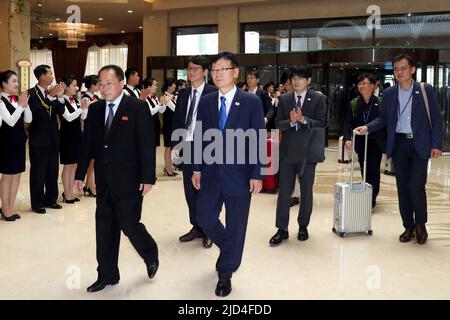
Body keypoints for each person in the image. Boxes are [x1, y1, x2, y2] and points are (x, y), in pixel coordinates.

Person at [74, 65, 159, 292]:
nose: (104, 88)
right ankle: (107, 274)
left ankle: (150, 253)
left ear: (121, 84)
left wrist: (148, 177)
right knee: (104, 227)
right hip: (104, 180)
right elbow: (87, 146)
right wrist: (79, 175)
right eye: (101, 83)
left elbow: (146, 145)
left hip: (130, 180)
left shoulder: (137, 107)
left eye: (109, 83)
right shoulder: (95, 109)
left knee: (129, 225)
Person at [192, 52, 264, 297]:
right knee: (204, 217)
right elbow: (201, 137)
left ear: (236, 72)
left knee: (236, 224)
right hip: (211, 173)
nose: (218, 74)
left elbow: (257, 139)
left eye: (223, 69)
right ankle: (231, 248)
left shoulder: (251, 102)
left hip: (240, 175)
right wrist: (197, 167)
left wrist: (257, 174)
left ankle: (225, 273)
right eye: (214, 69)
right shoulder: (207, 101)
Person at [355, 54, 443, 245]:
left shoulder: (424, 90)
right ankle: (408, 225)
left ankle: (420, 224)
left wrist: (436, 144)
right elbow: (384, 119)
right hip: (399, 145)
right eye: (396, 69)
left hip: (419, 144)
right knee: (402, 187)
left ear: (412, 69)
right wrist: (368, 127)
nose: (399, 72)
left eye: (403, 68)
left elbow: (435, 118)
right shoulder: (389, 93)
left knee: (417, 186)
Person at [270, 66, 328, 246]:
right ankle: (282, 229)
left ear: (309, 80)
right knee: (284, 192)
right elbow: (278, 123)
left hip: (308, 153)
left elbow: (323, 122)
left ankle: (303, 226)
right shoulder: (285, 99)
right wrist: (291, 121)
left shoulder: (319, 98)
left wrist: (304, 120)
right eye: (293, 78)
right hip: (288, 152)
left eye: (300, 78)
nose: (296, 81)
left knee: (306, 192)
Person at [171, 55, 216, 249]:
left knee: (207, 190)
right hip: (187, 145)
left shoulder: (214, 93)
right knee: (190, 190)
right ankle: (196, 226)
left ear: (205, 72)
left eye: (196, 68)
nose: (192, 72)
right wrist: (175, 145)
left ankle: (209, 229)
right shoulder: (183, 94)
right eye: (189, 68)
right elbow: (177, 121)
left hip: (207, 148)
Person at [343, 73, 385, 209]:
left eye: (365, 83)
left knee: (373, 170)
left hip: (375, 142)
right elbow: (347, 123)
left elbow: (385, 122)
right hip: (361, 142)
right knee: (364, 169)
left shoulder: (381, 102)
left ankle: (371, 199)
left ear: (373, 86)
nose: (361, 86)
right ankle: (367, 194)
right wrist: (348, 138)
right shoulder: (354, 103)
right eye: (360, 84)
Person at [28, 65, 66, 214]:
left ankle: (51, 199)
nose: (52, 76)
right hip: (38, 139)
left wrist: (60, 96)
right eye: (50, 73)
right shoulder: (31, 94)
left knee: (52, 171)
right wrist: (50, 96)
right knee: (38, 172)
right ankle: (37, 203)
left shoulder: (54, 93)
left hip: (53, 138)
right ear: (42, 76)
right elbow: (37, 114)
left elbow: (60, 112)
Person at [0, 70, 31, 221]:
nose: (16, 84)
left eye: (17, 81)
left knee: (17, 175)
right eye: (13, 81)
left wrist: (25, 105)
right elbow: (10, 121)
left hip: (19, 142)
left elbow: (29, 119)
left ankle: (11, 207)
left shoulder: (18, 100)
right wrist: (20, 105)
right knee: (7, 176)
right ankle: (5, 208)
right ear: (4, 84)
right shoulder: (0, 101)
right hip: (6, 143)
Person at [59, 75, 89, 203]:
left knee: (75, 165)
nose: (76, 88)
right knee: (68, 165)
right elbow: (68, 117)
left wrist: (84, 107)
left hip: (77, 134)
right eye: (73, 85)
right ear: (66, 86)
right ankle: (66, 193)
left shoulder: (75, 100)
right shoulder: (61, 101)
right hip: (67, 136)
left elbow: (83, 116)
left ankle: (70, 191)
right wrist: (81, 108)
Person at [81, 75, 100, 197]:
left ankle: (88, 184)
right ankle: (90, 185)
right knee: (91, 159)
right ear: (92, 85)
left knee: (94, 159)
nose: (100, 86)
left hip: (97, 130)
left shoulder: (96, 97)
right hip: (89, 130)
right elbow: (84, 117)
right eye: (98, 84)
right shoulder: (85, 98)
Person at [160, 78, 178, 176]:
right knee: (168, 147)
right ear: (169, 86)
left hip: (172, 124)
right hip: (168, 125)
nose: (175, 86)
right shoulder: (165, 96)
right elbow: (175, 109)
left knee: (171, 147)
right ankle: (167, 168)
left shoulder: (172, 96)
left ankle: (169, 167)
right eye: (174, 84)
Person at [143, 78, 164, 149]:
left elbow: (161, 111)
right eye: (155, 85)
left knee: (154, 147)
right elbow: (150, 112)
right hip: (149, 126)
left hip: (156, 125)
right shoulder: (144, 98)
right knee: (149, 147)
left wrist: (164, 103)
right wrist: (160, 104)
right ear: (149, 87)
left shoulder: (155, 98)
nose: (156, 87)